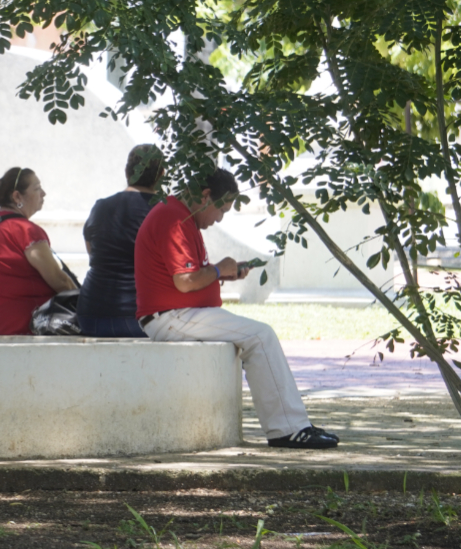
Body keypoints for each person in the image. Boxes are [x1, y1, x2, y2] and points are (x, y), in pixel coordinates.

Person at [134, 168, 340, 449]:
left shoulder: (181, 216)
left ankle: (291, 425)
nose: (220, 218)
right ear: (206, 196)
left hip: (178, 314)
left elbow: (189, 277)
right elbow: (185, 281)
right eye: (222, 209)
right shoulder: (174, 218)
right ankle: (288, 429)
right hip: (170, 317)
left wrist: (222, 274)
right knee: (260, 335)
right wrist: (219, 269)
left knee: (259, 334)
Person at [0, 166, 76, 335]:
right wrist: (85, 303)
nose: (43, 193)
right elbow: (61, 282)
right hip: (21, 331)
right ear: (17, 196)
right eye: (37, 188)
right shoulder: (25, 230)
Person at [77, 145, 163, 337]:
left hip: (90, 315)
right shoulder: (163, 212)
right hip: (142, 319)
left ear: (126, 171)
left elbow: (92, 251)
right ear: (161, 175)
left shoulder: (100, 207)